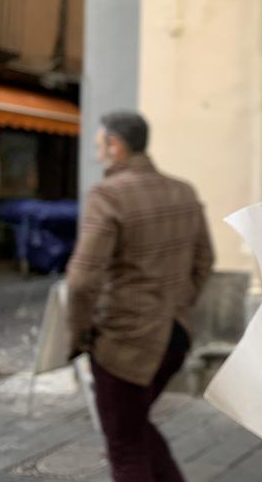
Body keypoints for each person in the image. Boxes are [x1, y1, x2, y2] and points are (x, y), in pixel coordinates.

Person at [66, 111, 214, 482]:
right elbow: (205, 260)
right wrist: (180, 304)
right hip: (175, 337)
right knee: (136, 427)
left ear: (116, 146)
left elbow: (82, 280)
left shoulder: (108, 194)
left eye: (100, 146)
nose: (98, 155)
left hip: (123, 343)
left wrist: (81, 335)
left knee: (125, 445)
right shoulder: (183, 190)